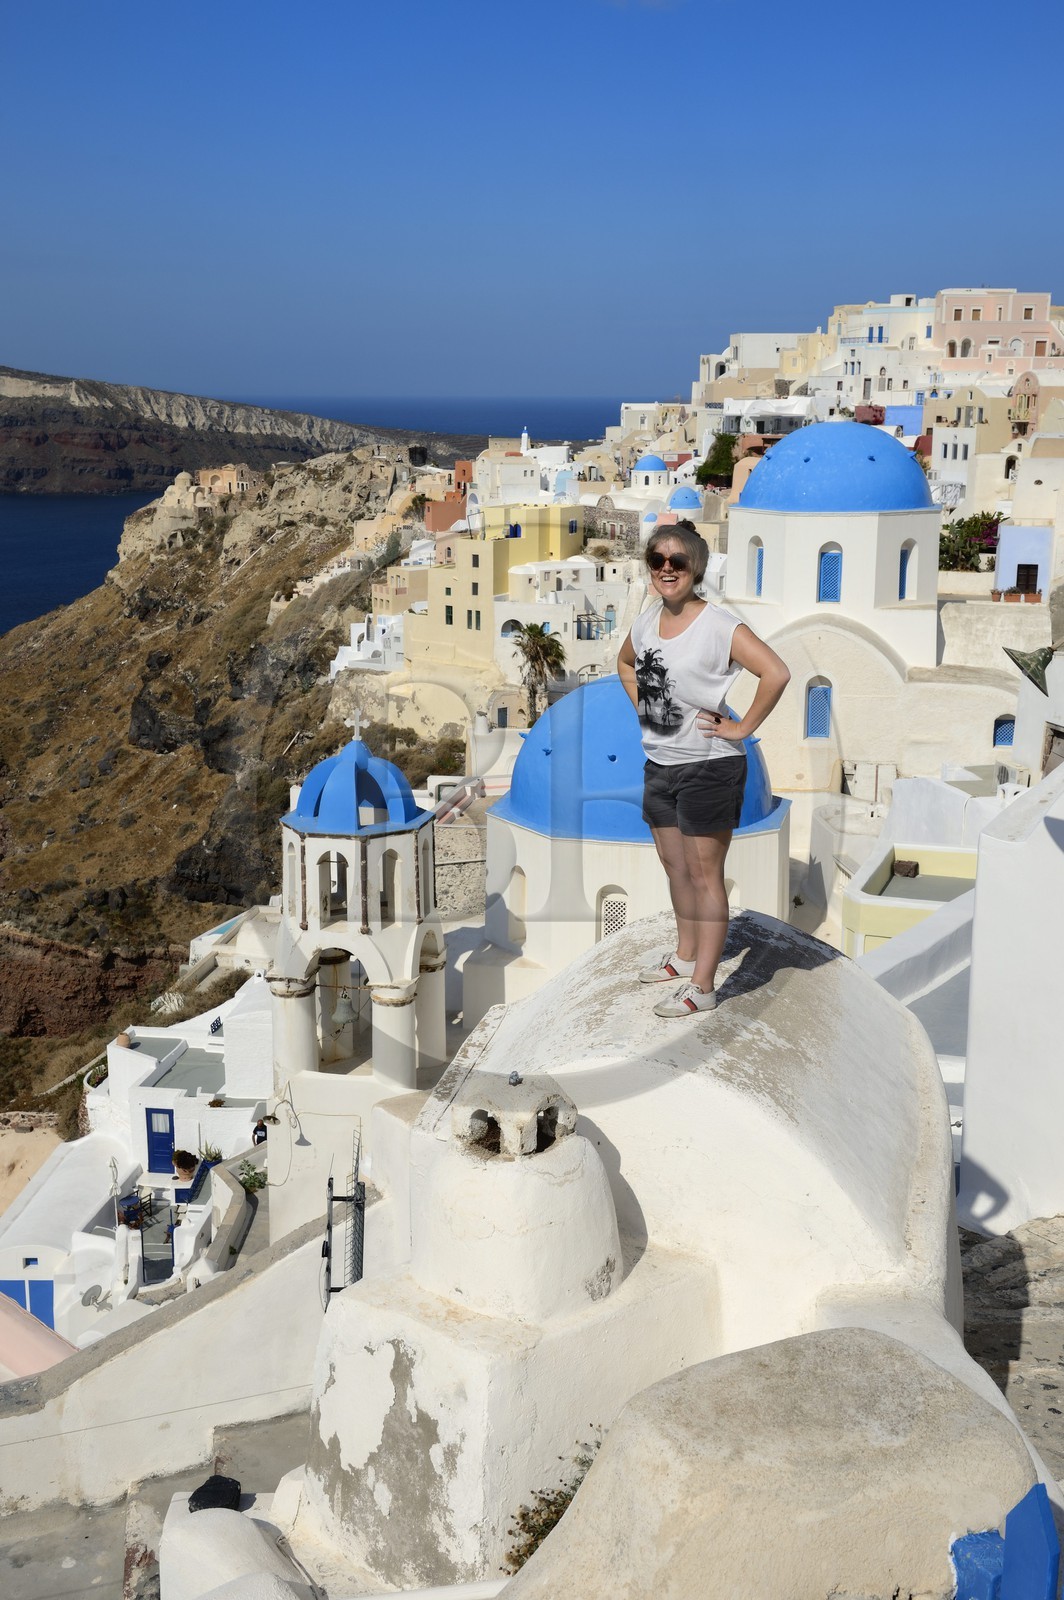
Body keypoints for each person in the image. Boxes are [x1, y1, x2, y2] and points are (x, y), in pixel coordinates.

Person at [617, 520, 790, 1017]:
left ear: (696, 568)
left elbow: (776, 672)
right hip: (660, 762)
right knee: (675, 868)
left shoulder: (719, 626)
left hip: (709, 766)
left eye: (678, 561)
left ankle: (703, 986)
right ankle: (684, 953)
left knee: (704, 875)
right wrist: (644, 707)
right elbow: (625, 663)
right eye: (658, 561)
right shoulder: (648, 620)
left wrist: (741, 729)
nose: (667, 569)